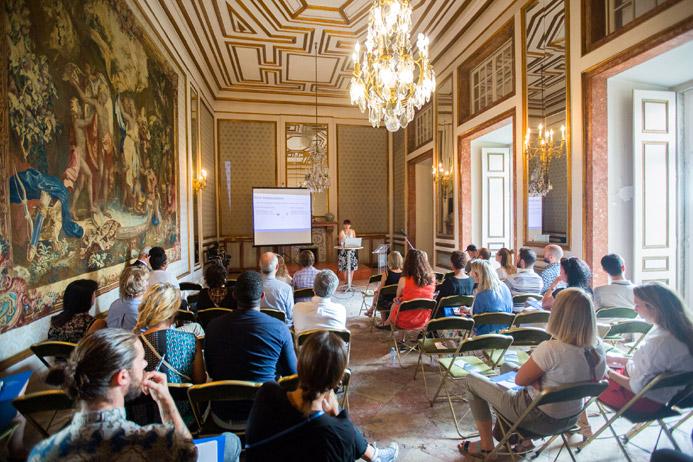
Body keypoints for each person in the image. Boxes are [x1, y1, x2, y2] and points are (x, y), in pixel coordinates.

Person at [30, 329, 241, 461]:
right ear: (122, 377)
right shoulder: (153, 440)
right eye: (141, 360)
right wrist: (166, 400)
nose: (146, 364)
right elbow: (188, 453)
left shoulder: (41, 453)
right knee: (231, 442)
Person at [458, 289, 606, 459]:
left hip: (537, 418)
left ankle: (486, 445)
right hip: (571, 416)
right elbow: (590, 378)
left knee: (471, 380)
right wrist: (540, 381)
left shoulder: (551, 349)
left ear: (559, 315)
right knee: (507, 366)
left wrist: (536, 381)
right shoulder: (598, 348)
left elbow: (520, 380)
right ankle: (522, 441)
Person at [246, 332, 398, 462]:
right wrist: (337, 415)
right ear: (339, 380)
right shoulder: (339, 434)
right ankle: (375, 456)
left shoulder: (266, 393)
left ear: (299, 366)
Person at [205, 271, 297, 427]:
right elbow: (293, 374)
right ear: (262, 296)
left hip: (222, 416)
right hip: (267, 414)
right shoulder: (280, 328)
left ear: (233, 295)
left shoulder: (213, 326)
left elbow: (212, 371)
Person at [600, 283, 693, 414]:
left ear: (653, 308)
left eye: (638, 305)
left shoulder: (660, 342)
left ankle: (577, 425)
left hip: (639, 401)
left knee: (584, 377)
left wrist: (606, 371)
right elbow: (653, 365)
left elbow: (636, 387)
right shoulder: (682, 330)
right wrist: (620, 360)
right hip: (675, 395)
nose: (635, 309)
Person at [129, 283, 205, 425]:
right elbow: (199, 382)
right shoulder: (190, 340)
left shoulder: (132, 344)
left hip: (142, 420)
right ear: (173, 311)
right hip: (182, 418)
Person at [386, 249, 436, 330]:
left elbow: (397, 297)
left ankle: (387, 322)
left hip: (404, 320)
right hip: (424, 319)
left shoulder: (404, 279)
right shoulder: (432, 278)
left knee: (396, 303)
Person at [293, 270, 347, 335]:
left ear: (313, 289)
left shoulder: (297, 308)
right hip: (333, 345)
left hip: (307, 345)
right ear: (333, 292)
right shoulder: (341, 310)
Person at [468, 260, 513, 335]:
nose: (469, 274)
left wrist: (469, 313)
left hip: (483, 336)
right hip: (504, 334)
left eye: (471, 271)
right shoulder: (504, 287)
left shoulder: (481, 295)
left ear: (478, 275)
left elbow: (475, 321)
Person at [107, 265, 149, 331]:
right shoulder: (143, 310)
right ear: (143, 286)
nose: (148, 283)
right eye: (146, 280)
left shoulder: (114, 304)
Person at [365, 251, 404, 322]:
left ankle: (381, 318)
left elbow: (381, 289)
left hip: (386, 301)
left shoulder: (386, 273)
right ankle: (372, 310)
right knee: (379, 293)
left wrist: (376, 291)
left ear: (389, 261)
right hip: (398, 300)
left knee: (377, 293)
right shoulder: (404, 274)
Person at [435, 251, 474, 318]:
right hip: (464, 316)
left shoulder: (449, 282)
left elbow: (438, 303)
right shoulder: (471, 281)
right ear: (465, 264)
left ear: (452, 264)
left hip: (447, 317)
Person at [259, 252, 295, 325]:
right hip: (281, 329)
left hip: (259, 327)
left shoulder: (253, 286)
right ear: (277, 267)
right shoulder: (286, 289)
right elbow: (290, 315)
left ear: (260, 266)